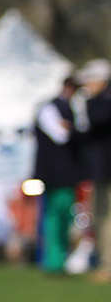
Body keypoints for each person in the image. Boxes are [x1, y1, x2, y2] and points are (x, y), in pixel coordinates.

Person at [34, 75, 81, 273]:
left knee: (63, 218)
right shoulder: (49, 108)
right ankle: (53, 261)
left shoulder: (71, 109)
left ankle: (60, 259)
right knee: (53, 217)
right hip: (54, 175)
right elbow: (61, 135)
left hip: (66, 175)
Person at [71, 59, 111, 280]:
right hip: (100, 170)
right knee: (99, 215)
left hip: (107, 169)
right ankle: (104, 263)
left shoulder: (103, 102)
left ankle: (107, 265)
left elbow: (96, 120)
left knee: (107, 217)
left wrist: (84, 104)